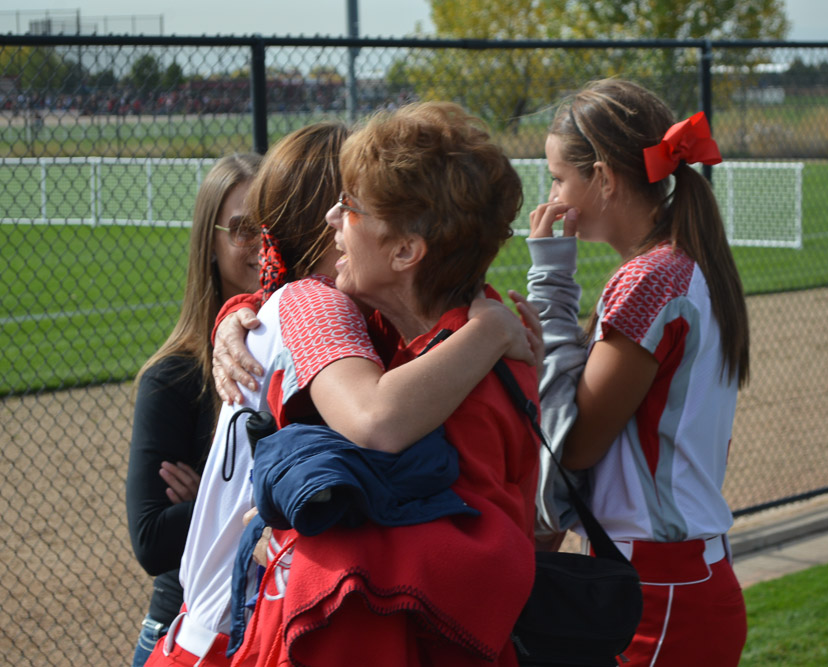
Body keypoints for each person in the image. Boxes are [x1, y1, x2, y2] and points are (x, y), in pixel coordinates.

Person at [147, 119, 537, 667]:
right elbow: (374, 414)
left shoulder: (439, 349)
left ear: (405, 249)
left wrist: (296, 540)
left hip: (288, 629)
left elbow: (481, 534)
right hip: (237, 628)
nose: (336, 217)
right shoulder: (343, 312)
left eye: (350, 204)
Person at [525, 78, 750, 666]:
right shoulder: (683, 263)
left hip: (658, 587)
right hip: (674, 574)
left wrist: (550, 281)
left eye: (557, 178)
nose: (551, 195)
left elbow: (574, 444)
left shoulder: (650, 278)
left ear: (602, 177)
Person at [126, 152, 262, 667]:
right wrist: (250, 501)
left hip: (264, 627)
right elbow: (151, 539)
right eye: (243, 229)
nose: (261, 243)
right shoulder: (173, 377)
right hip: (182, 632)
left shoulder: (298, 346)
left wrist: (210, 494)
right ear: (210, 241)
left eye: (271, 224)